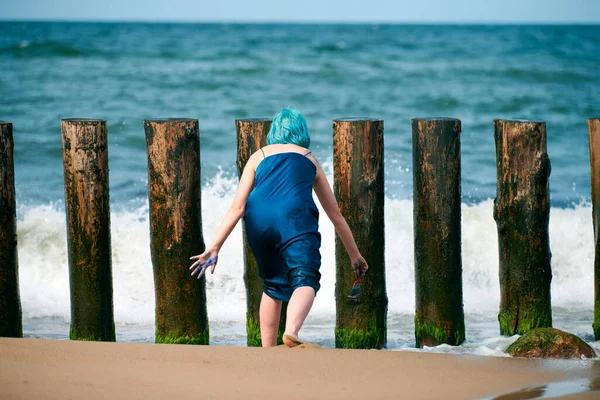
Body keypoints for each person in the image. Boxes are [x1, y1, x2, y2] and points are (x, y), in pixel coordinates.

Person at [189, 108, 368, 347]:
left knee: (273, 285)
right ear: (301, 132)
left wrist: (214, 247)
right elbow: (334, 213)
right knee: (306, 277)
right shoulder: (307, 156)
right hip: (293, 216)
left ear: (274, 132)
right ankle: (291, 331)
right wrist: (354, 255)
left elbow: (237, 207)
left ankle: (267, 349)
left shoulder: (258, 156)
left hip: (257, 218)